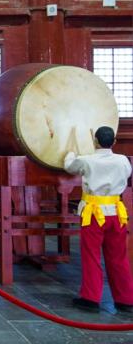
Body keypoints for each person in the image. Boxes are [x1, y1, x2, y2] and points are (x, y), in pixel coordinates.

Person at [63, 126, 133, 314]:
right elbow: (126, 174)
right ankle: (126, 300)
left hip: (94, 214)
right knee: (118, 257)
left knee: (91, 256)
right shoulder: (123, 160)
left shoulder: (87, 160)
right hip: (117, 213)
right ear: (114, 142)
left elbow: (69, 166)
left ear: (95, 141)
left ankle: (91, 298)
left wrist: (70, 152)